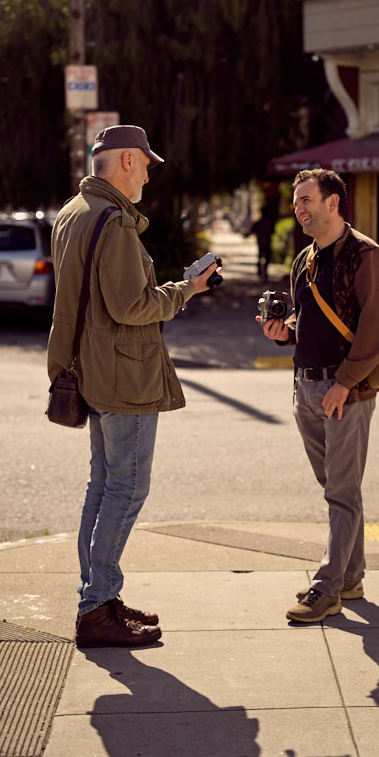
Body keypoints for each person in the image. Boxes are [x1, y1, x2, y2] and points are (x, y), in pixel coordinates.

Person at [47, 124, 220, 649]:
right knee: (125, 489)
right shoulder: (114, 222)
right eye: (145, 163)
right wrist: (188, 288)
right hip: (126, 376)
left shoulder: (73, 212)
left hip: (92, 369)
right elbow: (131, 307)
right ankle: (96, 606)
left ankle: (98, 598)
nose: (148, 171)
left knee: (102, 487)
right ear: (125, 161)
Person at [259, 168, 379, 623]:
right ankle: (350, 577)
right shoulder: (305, 259)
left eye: (307, 200)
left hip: (345, 391)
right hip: (306, 386)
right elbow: (306, 320)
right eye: (296, 202)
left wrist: (344, 382)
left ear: (333, 202)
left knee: (340, 490)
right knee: (337, 487)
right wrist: (283, 333)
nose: (299, 209)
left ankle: (327, 588)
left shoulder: (365, 255)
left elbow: (375, 330)